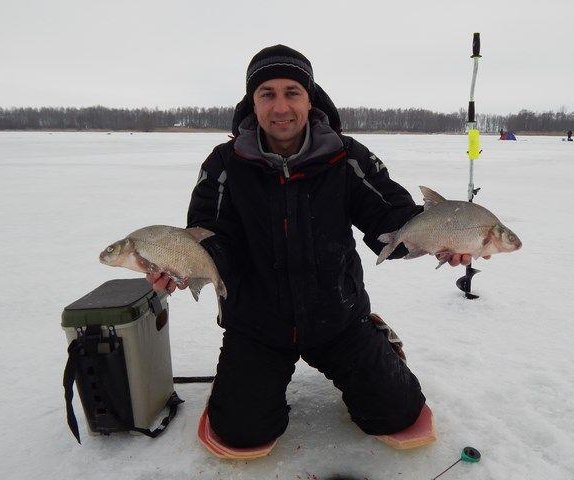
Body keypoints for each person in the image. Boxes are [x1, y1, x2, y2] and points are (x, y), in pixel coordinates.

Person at [147, 45, 475, 449]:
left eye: (292, 92)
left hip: (337, 319)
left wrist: (443, 238)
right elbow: (208, 235)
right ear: (252, 102)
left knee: (397, 415)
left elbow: (392, 220)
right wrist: (186, 264)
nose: (280, 106)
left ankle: (377, 340)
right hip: (257, 325)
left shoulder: (346, 155)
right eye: (267, 93)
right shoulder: (224, 163)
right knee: (241, 433)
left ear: (310, 97)